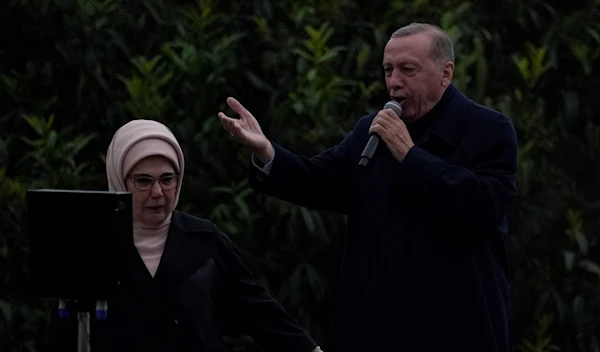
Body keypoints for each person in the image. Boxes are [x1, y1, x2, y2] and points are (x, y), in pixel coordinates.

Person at [218, 22, 518, 352]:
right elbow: (319, 180)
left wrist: (411, 155)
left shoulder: (488, 130)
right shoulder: (371, 131)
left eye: (408, 70)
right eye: (388, 70)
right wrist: (265, 150)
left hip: (455, 326)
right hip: (376, 325)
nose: (394, 82)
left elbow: (484, 208)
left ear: (446, 74)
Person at [43, 119, 323, 352]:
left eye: (167, 179)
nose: (157, 193)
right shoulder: (91, 246)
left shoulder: (205, 240)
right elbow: (61, 335)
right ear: (119, 179)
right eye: (143, 180)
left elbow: (259, 313)